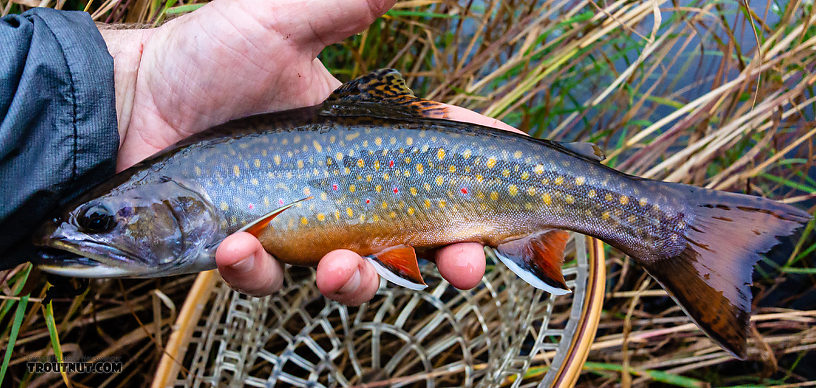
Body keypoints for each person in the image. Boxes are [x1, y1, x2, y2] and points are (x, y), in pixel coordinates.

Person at [1, 0, 520, 306]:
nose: (71, 236)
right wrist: (126, 86)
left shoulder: (189, 167)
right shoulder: (183, 164)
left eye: (95, 221)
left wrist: (126, 86)